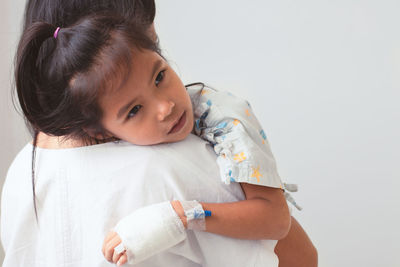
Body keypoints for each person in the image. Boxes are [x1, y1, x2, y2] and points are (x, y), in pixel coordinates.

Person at [1, 0, 317, 266]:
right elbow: (300, 258)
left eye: (159, 74)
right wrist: (183, 214)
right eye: (133, 109)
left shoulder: (19, 173)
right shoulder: (170, 167)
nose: (165, 107)